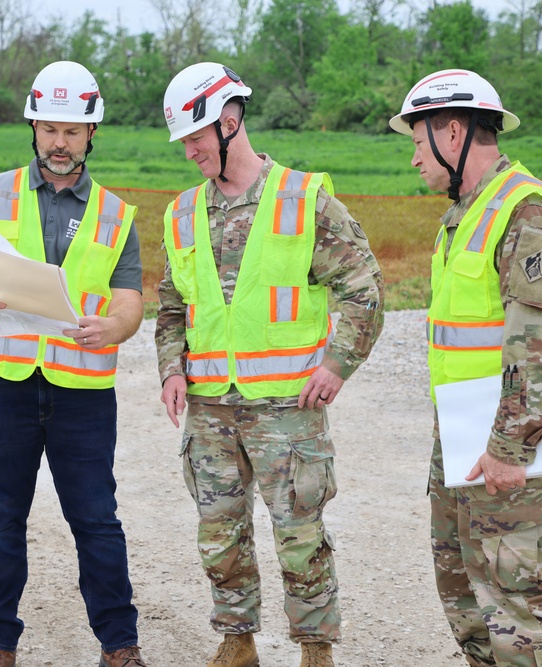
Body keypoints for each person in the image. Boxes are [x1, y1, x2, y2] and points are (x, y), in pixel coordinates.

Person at [156, 62, 385, 667]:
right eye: (183, 141)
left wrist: (338, 364)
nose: (189, 151)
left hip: (289, 406)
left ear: (230, 123)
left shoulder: (305, 199)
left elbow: (364, 287)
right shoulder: (181, 214)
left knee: (300, 536)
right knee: (219, 533)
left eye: (197, 138)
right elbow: (172, 304)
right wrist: (171, 369)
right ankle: (237, 642)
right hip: (209, 407)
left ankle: (315, 651)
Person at [0, 61, 147, 667]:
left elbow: (130, 298)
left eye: (73, 131)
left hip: (81, 392)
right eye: (50, 129)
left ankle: (119, 644)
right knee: (0, 519)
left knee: (97, 521)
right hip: (1, 385)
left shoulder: (116, 213)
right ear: (33, 127)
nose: (60, 143)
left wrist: (116, 325)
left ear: (91, 134)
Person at [388, 69, 542, 666]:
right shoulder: (464, 215)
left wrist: (509, 447)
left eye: (418, 143)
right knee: (470, 606)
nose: (415, 159)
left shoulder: (527, 214)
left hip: (505, 453)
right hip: (462, 439)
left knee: (525, 617)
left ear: (454, 132)